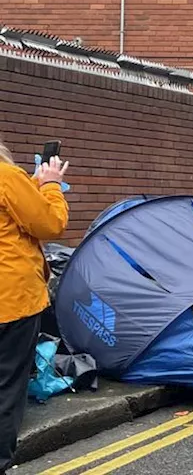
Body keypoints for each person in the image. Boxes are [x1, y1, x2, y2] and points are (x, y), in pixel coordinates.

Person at [0, 138, 69, 473]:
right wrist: (52, 185)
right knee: (7, 389)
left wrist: (34, 183)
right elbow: (48, 223)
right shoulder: (5, 176)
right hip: (10, 301)